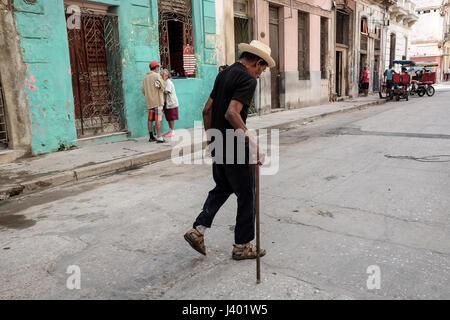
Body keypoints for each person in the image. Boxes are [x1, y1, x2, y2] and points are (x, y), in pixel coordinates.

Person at [183, 40, 276, 260]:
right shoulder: (247, 79)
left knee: (222, 187)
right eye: (262, 69)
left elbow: (207, 110)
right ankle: (242, 245)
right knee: (247, 195)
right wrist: (253, 142)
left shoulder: (223, 74)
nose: (260, 74)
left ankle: (198, 230)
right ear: (258, 62)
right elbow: (232, 113)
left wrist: (211, 140)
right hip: (235, 146)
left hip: (220, 144)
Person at [142, 61, 166, 143]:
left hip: (150, 102)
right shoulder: (157, 75)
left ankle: (151, 136)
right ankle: (159, 137)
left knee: (150, 120)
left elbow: (143, 90)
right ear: (156, 67)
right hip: (158, 101)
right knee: (158, 119)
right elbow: (162, 87)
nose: (158, 68)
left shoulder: (145, 78)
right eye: (158, 67)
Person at [161, 69, 179, 138]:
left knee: (171, 118)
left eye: (165, 75)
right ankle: (170, 130)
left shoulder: (168, 82)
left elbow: (167, 91)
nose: (164, 76)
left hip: (171, 103)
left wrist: (159, 90)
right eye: (163, 75)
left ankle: (172, 131)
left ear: (167, 75)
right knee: (168, 117)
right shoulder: (164, 82)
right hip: (167, 103)